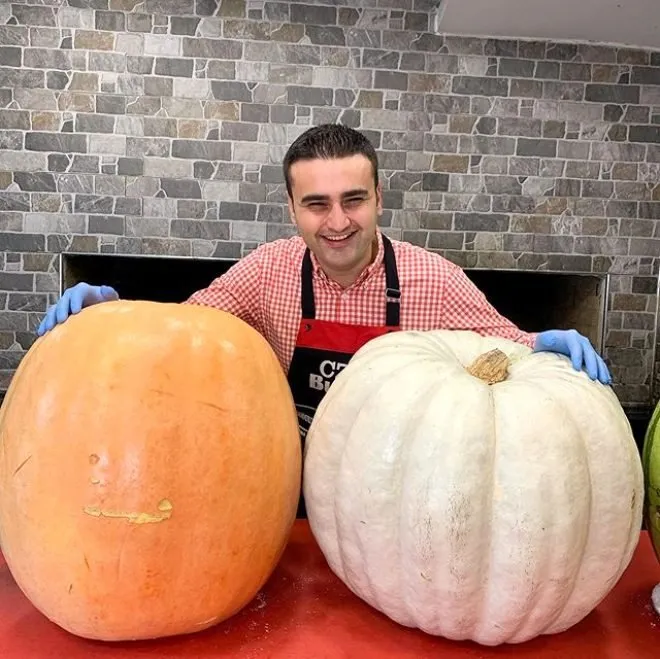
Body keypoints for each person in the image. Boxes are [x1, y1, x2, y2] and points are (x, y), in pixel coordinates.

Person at [37, 123, 611, 498]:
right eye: (317, 204)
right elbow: (183, 327)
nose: (337, 222)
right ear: (292, 209)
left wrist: (546, 345)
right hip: (283, 490)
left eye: (353, 200)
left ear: (379, 199)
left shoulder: (432, 279)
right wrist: (111, 309)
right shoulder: (267, 272)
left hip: (390, 496)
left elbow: (504, 345)